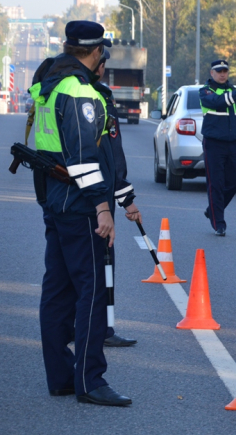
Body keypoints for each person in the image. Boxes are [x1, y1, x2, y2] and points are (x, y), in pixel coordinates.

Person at [28, 20, 131, 407]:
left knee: (57, 292)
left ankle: (62, 377)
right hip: (80, 205)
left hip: (56, 203)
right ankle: (90, 380)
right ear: (95, 53)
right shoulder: (79, 92)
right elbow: (84, 157)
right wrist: (103, 207)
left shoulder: (50, 84)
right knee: (91, 292)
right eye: (103, 52)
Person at [93, 49, 139, 348]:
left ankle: (70, 330)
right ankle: (101, 332)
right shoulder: (96, 98)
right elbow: (110, 155)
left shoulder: (53, 90)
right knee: (100, 269)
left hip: (61, 198)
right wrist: (118, 202)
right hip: (95, 200)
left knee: (65, 276)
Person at [199, 59, 236, 236]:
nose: (222, 74)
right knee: (216, 183)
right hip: (213, 144)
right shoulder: (205, 92)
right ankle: (219, 223)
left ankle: (213, 209)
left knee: (235, 180)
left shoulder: (234, 92)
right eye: (219, 71)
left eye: (225, 71)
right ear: (212, 73)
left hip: (232, 144)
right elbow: (218, 102)